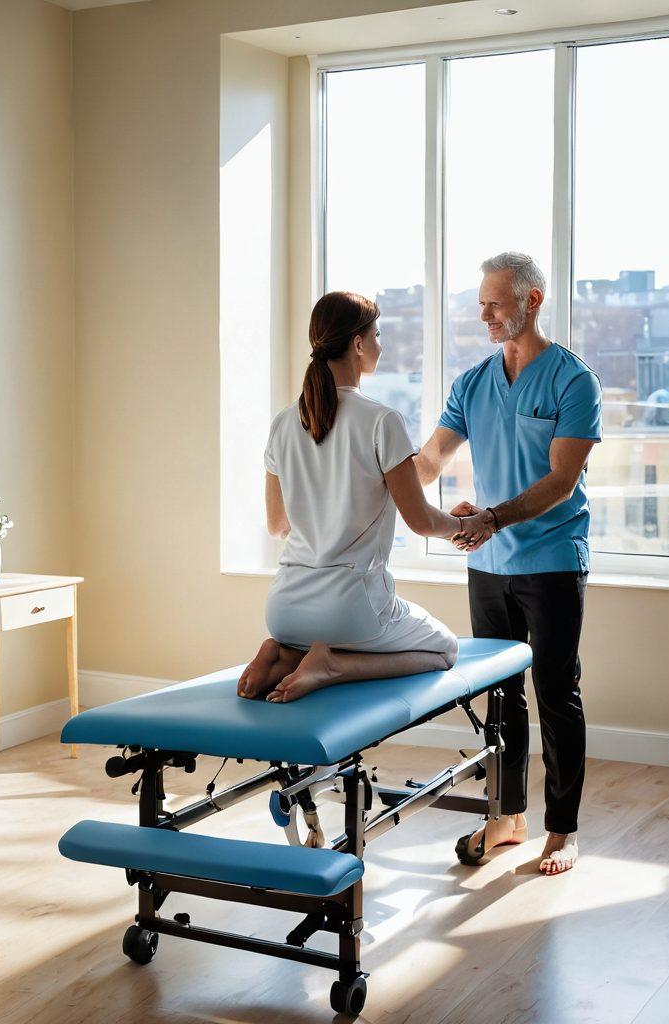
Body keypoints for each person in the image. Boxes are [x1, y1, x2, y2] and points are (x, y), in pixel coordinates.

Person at [414, 252, 602, 876]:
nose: (485, 314)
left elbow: (560, 479)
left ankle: (564, 829)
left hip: (550, 560)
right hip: (488, 563)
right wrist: (377, 481)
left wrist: (491, 516)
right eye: (482, 304)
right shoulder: (472, 382)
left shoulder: (574, 381)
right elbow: (428, 461)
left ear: (532, 300)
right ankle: (507, 815)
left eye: (495, 303)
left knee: (555, 691)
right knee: (499, 694)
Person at [239, 290, 491, 704]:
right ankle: (332, 666)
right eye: (376, 334)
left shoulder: (284, 423)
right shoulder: (381, 420)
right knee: (444, 649)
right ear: (357, 344)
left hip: (283, 609)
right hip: (349, 609)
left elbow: (277, 524)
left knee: (315, 636)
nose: (381, 344)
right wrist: (468, 526)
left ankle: (284, 654)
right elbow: (422, 522)